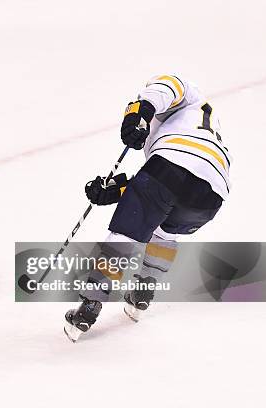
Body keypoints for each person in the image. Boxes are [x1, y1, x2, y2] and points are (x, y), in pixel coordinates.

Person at [64, 75, 231, 342]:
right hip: (213, 193)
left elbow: (165, 86)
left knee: (126, 233)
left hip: (173, 165)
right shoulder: (193, 125)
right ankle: (142, 293)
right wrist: (116, 191)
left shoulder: (188, 95)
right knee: (165, 234)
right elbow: (163, 187)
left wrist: (139, 112)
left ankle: (89, 306)